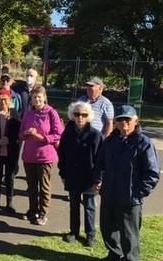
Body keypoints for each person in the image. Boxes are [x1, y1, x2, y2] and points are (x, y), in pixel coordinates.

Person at [95, 105, 160, 261]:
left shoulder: (144, 143)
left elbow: (152, 173)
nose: (124, 123)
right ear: (115, 122)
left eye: (127, 119)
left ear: (135, 121)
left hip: (130, 199)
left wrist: (138, 194)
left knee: (129, 234)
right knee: (108, 228)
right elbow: (100, 163)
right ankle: (114, 255)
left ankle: (131, 259)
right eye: (120, 119)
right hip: (109, 194)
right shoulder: (110, 141)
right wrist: (98, 180)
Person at [58, 101, 102, 247]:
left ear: (89, 116)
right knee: (74, 205)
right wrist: (63, 174)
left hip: (89, 177)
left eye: (84, 115)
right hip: (72, 175)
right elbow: (62, 156)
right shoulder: (67, 134)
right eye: (77, 114)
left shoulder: (95, 135)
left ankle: (91, 235)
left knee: (89, 206)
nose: (80, 117)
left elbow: (100, 160)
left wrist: (98, 179)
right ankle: (73, 232)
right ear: (72, 115)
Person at [19, 87, 63, 225]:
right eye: (34, 97)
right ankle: (33, 210)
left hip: (45, 156)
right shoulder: (28, 114)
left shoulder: (51, 113)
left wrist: (41, 137)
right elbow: (20, 134)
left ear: (44, 97)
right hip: (29, 156)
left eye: (39, 97)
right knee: (31, 187)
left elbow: (58, 134)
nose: (36, 100)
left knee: (44, 187)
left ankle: (43, 213)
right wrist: (26, 132)